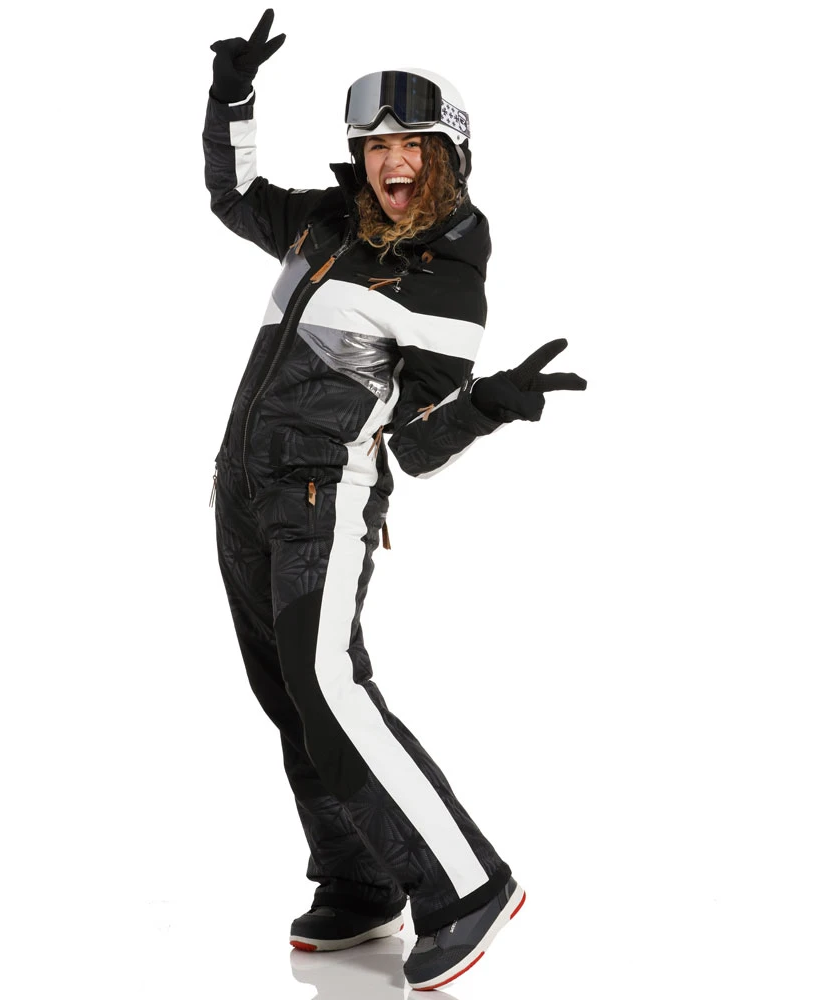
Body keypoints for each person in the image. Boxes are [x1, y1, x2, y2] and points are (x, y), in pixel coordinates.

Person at [203, 10, 586, 992]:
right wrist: (232, 96)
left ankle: (467, 884)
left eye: (412, 143)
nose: (392, 160)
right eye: (375, 145)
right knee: (290, 698)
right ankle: (359, 879)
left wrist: (490, 404)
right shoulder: (324, 225)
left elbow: (414, 443)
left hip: (323, 499)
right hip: (241, 490)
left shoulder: (445, 281)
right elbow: (232, 194)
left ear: (447, 155)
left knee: (328, 686)